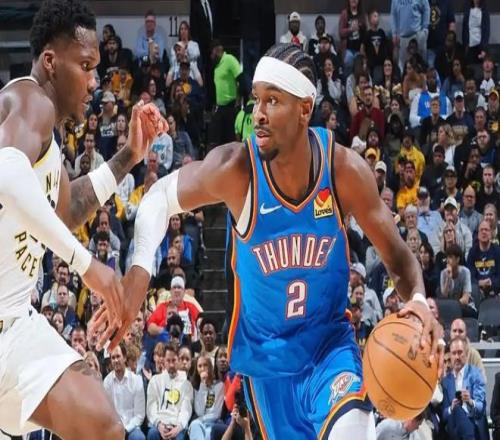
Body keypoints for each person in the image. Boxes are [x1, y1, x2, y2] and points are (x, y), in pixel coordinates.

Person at [99, 43, 443, 439]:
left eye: (273, 100)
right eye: (257, 99)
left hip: (329, 348)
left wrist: (419, 303)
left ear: (304, 109)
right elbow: (158, 197)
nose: (258, 113)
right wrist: (140, 272)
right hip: (266, 364)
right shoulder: (237, 169)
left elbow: (399, 257)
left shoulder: (343, 170)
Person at [0, 1, 166, 437]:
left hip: (15, 326)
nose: (94, 81)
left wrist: (130, 155)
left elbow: (67, 209)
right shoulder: (30, 101)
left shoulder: (46, 137)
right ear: (50, 62)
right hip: (9, 330)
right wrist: (86, 264)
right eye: (86, 66)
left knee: (102, 424)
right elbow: (6, 175)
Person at [441, 336, 489, 440]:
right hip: (454, 434)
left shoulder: (476, 374)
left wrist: (470, 401)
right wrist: (451, 408)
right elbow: (443, 415)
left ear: (466, 354)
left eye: (460, 352)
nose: (457, 357)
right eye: (454, 353)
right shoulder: (445, 381)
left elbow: (481, 407)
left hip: (474, 433)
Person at [146, 344, 193, 440]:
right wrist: (159, 425)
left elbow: (186, 410)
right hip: (159, 424)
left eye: (174, 360)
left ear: (179, 360)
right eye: (168, 360)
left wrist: (178, 427)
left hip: (177, 426)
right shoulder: (155, 381)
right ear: (164, 361)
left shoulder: (187, 385)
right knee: (152, 434)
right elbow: (151, 407)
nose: (171, 364)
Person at [103, 344, 146, 440]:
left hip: (132, 428)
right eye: (113, 358)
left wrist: (125, 429)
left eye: (118, 356)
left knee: (138, 437)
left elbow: (139, 415)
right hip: (113, 428)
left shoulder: (136, 380)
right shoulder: (107, 382)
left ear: (125, 358)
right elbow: (106, 412)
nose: (116, 360)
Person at [391, 0, 430, 71]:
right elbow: (393, 14)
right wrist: (394, 33)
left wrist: (425, 29)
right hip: (402, 38)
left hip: (418, 35)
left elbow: (426, 9)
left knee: (421, 67)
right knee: (403, 68)